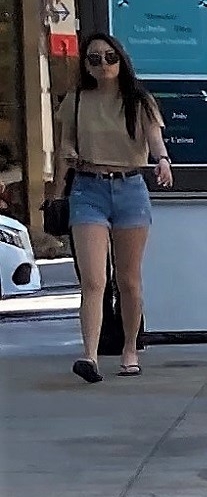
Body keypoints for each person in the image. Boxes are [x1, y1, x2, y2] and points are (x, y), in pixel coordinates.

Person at [46, 31, 172, 382]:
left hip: (130, 188)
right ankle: (90, 356)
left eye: (110, 57)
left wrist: (162, 160)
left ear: (121, 59)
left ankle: (130, 348)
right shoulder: (75, 100)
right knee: (93, 279)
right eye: (94, 58)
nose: (103, 64)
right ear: (85, 64)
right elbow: (64, 148)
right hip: (88, 190)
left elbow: (155, 139)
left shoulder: (139, 100)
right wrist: (58, 194)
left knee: (128, 281)